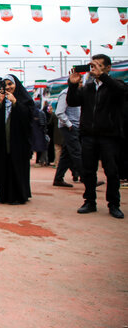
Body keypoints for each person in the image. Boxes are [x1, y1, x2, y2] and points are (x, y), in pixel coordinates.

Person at [67, 55, 127, 219]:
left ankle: (114, 204)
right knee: (88, 171)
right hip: (88, 135)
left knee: (111, 171)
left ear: (108, 68)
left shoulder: (115, 86)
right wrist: (72, 85)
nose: (95, 68)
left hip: (109, 136)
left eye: (99, 65)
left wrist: (103, 77)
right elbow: (72, 102)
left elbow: (121, 91)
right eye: (93, 66)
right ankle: (89, 201)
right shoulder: (88, 88)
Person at [0, 75, 35, 205]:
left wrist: (16, 103)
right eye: (5, 85)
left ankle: (19, 195)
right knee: (4, 166)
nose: (8, 87)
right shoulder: (2, 100)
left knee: (17, 166)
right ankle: (4, 194)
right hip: (4, 141)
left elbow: (28, 117)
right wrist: (0, 104)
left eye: (10, 84)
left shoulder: (25, 99)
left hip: (19, 141)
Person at [53, 82, 83, 187]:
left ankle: (58, 178)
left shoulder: (79, 94)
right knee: (77, 152)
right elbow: (59, 112)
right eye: (79, 82)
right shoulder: (65, 93)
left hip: (74, 127)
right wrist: (69, 124)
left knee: (66, 155)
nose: (81, 84)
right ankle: (87, 178)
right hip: (69, 127)